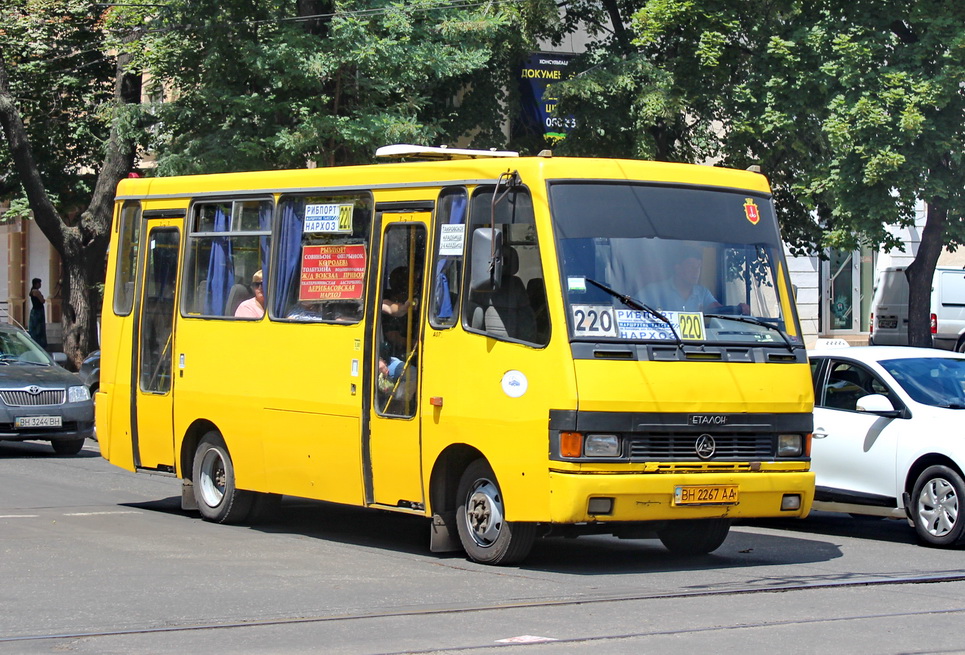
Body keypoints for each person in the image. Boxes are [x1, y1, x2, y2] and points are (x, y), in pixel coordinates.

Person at [643, 249, 750, 314]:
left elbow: (718, 310)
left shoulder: (702, 293)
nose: (696, 271)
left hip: (695, 345)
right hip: (662, 343)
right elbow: (629, 308)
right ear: (678, 268)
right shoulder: (654, 291)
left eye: (698, 267)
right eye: (691, 266)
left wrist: (738, 309)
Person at [28, 278, 48, 348]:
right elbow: (42, 301)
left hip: (35, 311)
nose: (40, 285)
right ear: (36, 284)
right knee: (38, 329)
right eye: (39, 283)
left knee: (35, 328)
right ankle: (39, 344)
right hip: (38, 311)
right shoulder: (36, 292)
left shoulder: (32, 291)